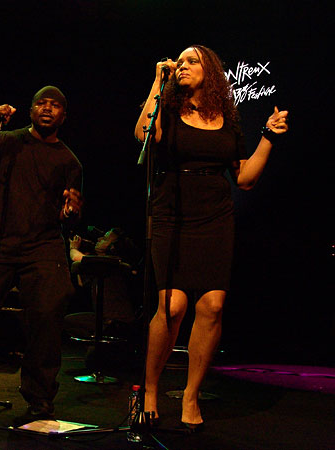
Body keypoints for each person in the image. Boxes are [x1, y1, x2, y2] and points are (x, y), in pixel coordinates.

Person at [134, 45, 288, 429]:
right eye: (180, 61)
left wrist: (268, 137)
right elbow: (143, 135)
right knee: (172, 306)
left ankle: (191, 395)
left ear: (210, 71)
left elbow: (244, 178)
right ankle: (149, 390)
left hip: (215, 216)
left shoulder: (227, 117)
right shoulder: (167, 108)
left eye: (192, 61)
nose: (183, 65)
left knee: (212, 306)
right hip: (172, 212)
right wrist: (157, 81)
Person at [0, 86, 83, 418]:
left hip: (43, 244)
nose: (47, 109)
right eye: (41, 103)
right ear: (31, 110)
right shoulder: (7, 141)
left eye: (55, 105)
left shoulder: (69, 160)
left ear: (64, 116)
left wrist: (71, 210)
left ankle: (40, 397)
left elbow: (70, 211)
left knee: (47, 315)